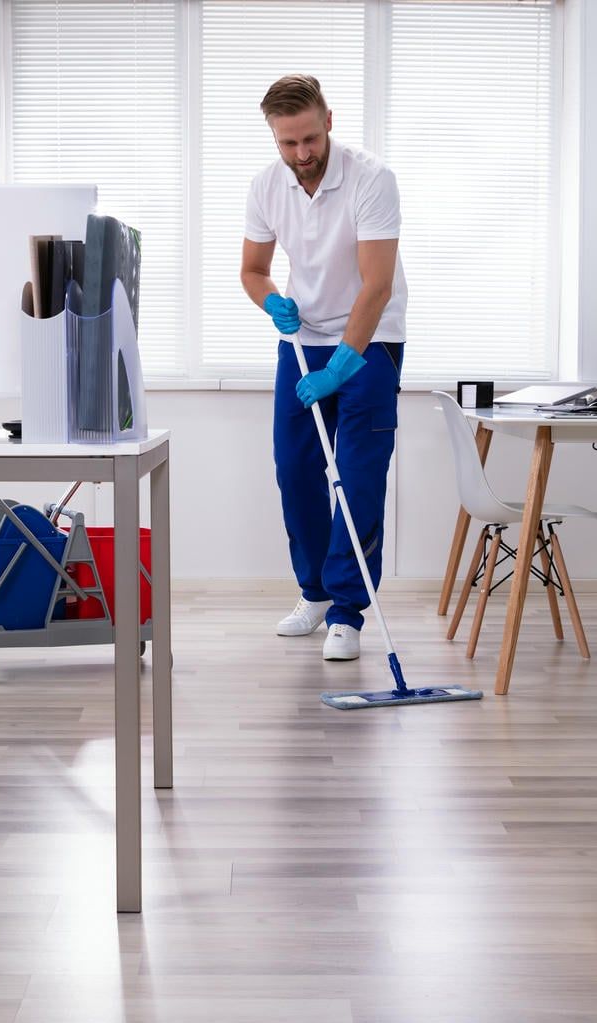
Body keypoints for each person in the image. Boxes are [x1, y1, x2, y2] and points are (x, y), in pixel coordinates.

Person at [240, 74, 407, 662]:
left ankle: (346, 612)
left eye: (309, 139)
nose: (301, 154)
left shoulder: (371, 179)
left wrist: (343, 364)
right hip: (301, 341)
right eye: (288, 144)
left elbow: (377, 285)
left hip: (371, 341)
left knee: (359, 476)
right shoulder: (267, 186)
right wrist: (271, 302)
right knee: (296, 469)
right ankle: (312, 592)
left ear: (328, 121)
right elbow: (253, 271)